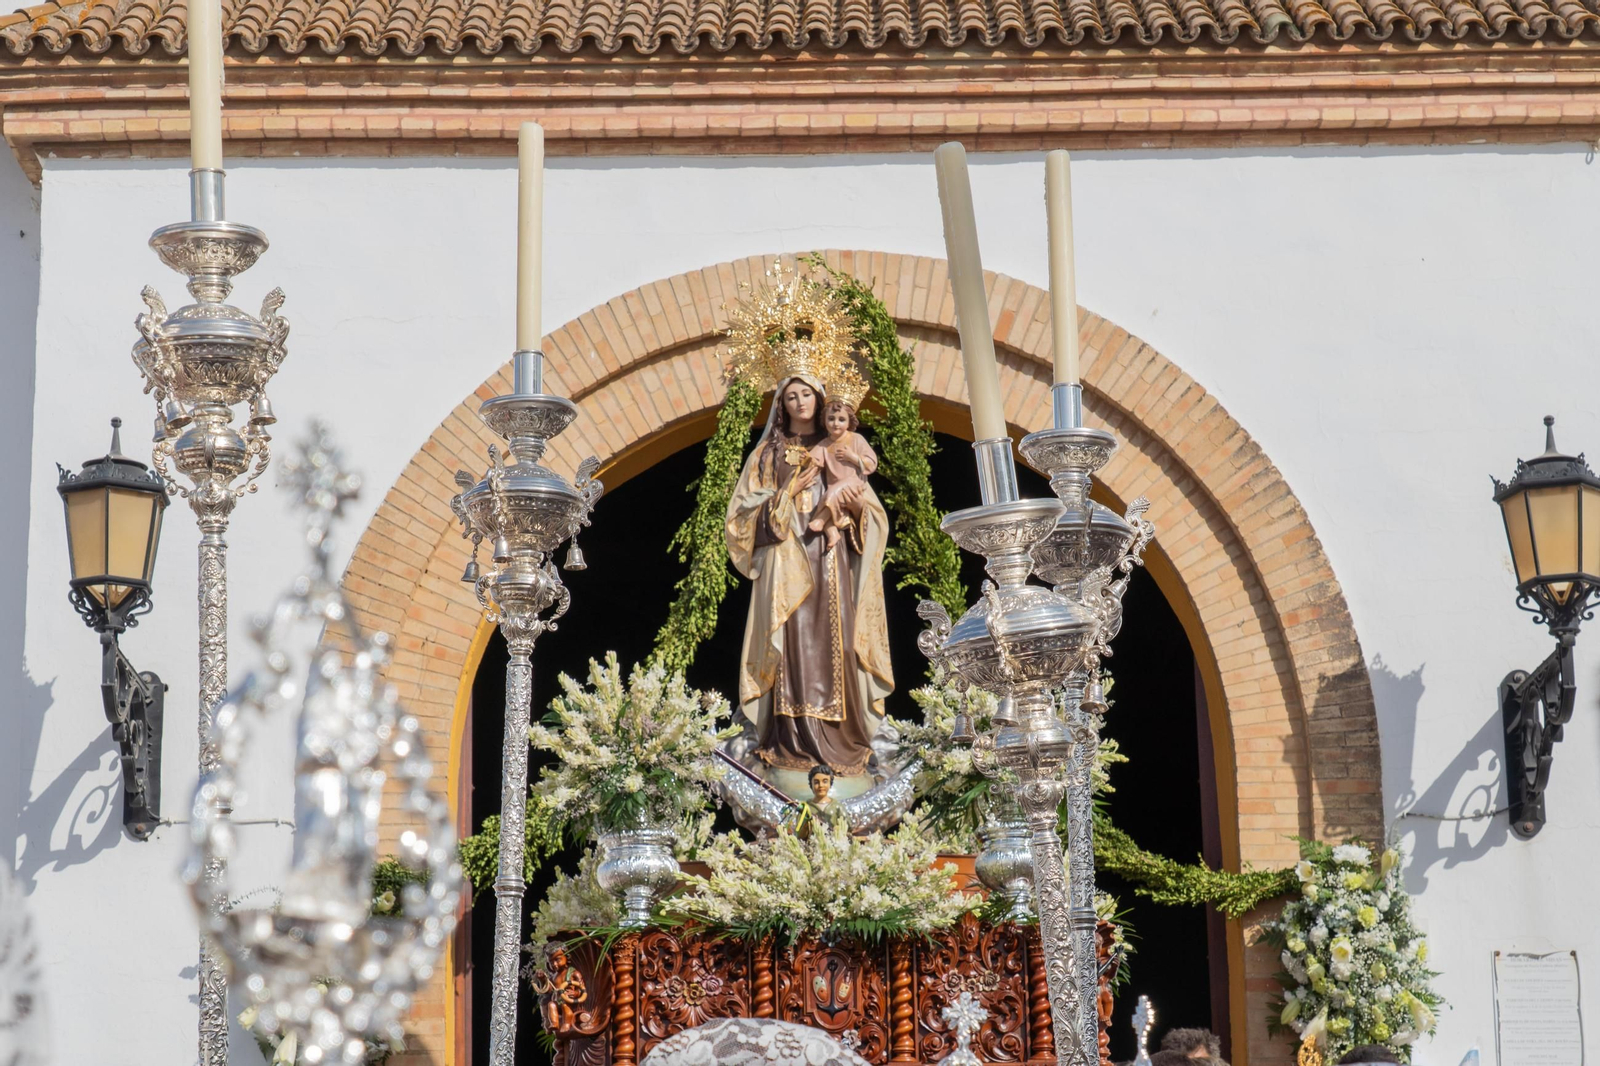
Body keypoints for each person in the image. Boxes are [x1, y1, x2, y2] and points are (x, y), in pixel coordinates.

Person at [726, 375, 894, 796]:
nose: (800, 402)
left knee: (835, 645)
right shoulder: (767, 453)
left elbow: (869, 510)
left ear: (821, 399)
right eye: (791, 396)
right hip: (787, 565)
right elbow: (741, 519)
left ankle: (844, 745)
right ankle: (790, 742)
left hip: (830, 561)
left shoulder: (842, 445)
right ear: (781, 404)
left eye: (807, 394)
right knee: (793, 647)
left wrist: (854, 509)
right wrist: (787, 493)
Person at [805, 399, 878, 551]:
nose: (835, 424)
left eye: (841, 419)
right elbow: (812, 461)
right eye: (831, 419)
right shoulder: (825, 444)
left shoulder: (856, 439)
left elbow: (871, 463)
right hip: (833, 487)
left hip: (854, 484)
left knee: (830, 496)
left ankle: (819, 519)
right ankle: (833, 535)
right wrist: (803, 459)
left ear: (849, 421)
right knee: (824, 501)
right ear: (824, 421)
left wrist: (852, 457)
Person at [785, 764, 849, 839]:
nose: (821, 785)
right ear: (811, 784)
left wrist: (839, 830)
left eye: (825, 781)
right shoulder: (805, 807)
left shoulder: (837, 807)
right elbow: (799, 834)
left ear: (830, 783)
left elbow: (849, 830)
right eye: (816, 782)